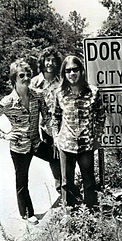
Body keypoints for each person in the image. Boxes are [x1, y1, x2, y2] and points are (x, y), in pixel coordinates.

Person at [0, 59, 56, 224]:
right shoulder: (7, 102)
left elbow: (47, 118)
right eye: (21, 75)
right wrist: (4, 135)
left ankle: (66, 194)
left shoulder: (37, 95)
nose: (25, 78)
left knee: (58, 158)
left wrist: (55, 137)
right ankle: (27, 213)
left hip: (36, 143)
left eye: (28, 75)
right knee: (22, 181)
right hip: (19, 147)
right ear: (14, 79)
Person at [52, 55, 105, 209]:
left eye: (75, 69)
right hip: (66, 145)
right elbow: (55, 117)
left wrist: (97, 137)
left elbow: (101, 115)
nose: (72, 73)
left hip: (86, 146)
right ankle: (69, 214)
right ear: (64, 73)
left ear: (81, 71)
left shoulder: (93, 92)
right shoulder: (59, 93)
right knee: (66, 182)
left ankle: (90, 213)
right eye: (68, 70)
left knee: (89, 182)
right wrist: (56, 137)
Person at [30, 46, 62, 193]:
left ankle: (67, 184)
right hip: (45, 126)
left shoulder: (61, 81)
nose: (50, 63)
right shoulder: (35, 82)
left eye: (53, 61)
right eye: (47, 60)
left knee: (65, 153)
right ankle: (59, 184)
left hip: (63, 123)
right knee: (53, 155)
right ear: (42, 62)